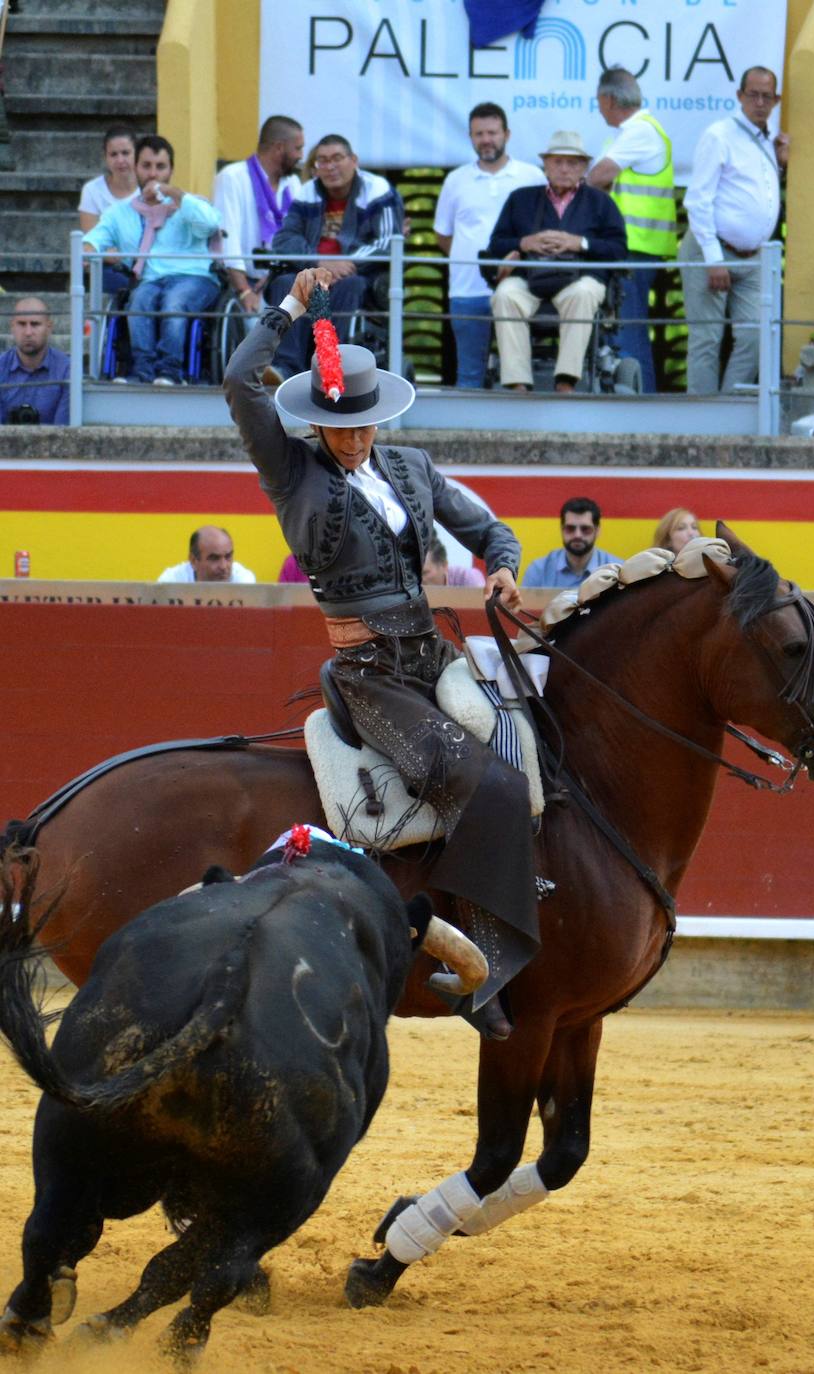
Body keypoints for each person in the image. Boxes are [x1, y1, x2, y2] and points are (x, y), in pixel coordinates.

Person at [223, 266, 537, 1040]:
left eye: (365, 422)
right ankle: (478, 971)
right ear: (317, 421)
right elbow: (238, 378)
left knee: (534, 755)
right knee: (487, 788)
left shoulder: (410, 467)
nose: (356, 437)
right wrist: (293, 304)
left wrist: (501, 567)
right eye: (342, 424)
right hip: (368, 675)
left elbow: (489, 528)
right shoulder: (290, 472)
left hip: (431, 656)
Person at [486, 131, 627, 392]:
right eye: (557, 162)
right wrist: (524, 243)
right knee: (505, 294)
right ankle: (518, 384)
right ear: (546, 166)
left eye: (572, 163)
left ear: (584, 168)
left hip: (579, 280)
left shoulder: (601, 203)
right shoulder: (521, 199)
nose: (564, 169)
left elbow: (619, 251)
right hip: (530, 280)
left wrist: (579, 243)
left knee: (584, 293)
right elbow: (495, 245)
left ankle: (566, 381)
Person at [678, 66, 790, 395]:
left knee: (757, 336)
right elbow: (698, 201)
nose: (759, 102)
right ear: (739, 96)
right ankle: (701, 424)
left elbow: (754, 193)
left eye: (766, 96)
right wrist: (713, 260)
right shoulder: (719, 135)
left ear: (776, 100)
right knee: (707, 339)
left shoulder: (770, 139)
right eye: (752, 95)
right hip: (712, 248)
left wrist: (781, 165)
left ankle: (727, 409)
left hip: (754, 256)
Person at [261, 135, 404, 386]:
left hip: (356, 274)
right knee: (285, 282)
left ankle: (333, 367)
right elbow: (284, 239)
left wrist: (347, 263)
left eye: (337, 158)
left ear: (354, 161)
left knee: (350, 286)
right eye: (323, 161)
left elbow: (387, 241)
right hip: (314, 270)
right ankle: (284, 368)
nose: (330, 166)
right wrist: (320, 262)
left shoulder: (377, 190)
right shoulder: (308, 192)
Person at [83, 135, 222, 385]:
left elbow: (211, 223)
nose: (153, 174)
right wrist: (86, 251)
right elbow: (94, 239)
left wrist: (173, 194)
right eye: (146, 166)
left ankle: (170, 371)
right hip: (150, 280)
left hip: (195, 278)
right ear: (136, 167)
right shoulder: (121, 212)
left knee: (174, 301)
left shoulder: (188, 204)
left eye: (160, 167)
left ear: (171, 170)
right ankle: (142, 371)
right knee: (139, 301)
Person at [433, 102, 544, 389]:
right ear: (470, 137)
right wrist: (474, 263)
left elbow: (543, 232)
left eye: (492, 133)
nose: (486, 140)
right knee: (469, 375)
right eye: (479, 134)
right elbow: (442, 235)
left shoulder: (532, 176)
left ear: (506, 134)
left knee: (521, 374)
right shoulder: (455, 180)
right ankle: (461, 434)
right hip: (467, 289)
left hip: (521, 291)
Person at [587, 67, 677, 392]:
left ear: (609, 99)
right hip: (631, 248)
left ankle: (642, 408)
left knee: (629, 333)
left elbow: (596, 178)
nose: (598, 109)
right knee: (625, 330)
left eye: (598, 102)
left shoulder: (639, 132)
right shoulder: (629, 133)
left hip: (635, 249)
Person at [212, 115, 304, 317]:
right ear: (279, 148)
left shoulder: (293, 184)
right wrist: (244, 291)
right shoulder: (232, 177)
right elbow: (228, 236)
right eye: (297, 148)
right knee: (254, 328)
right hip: (245, 285)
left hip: (284, 281)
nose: (301, 156)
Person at [78, 126, 139, 295]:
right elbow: (91, 242)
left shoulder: (147, 189)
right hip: (109, 268)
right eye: (114, 154)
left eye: (126, 153)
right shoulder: (92, 190)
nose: (120, 160)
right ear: (105, 157)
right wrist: (105, 254)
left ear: (136, 154)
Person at [521, 497, 620, 587]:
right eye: (570, 528)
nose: (577, 535)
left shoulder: (618, 572)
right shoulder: (538, 570)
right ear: (562, 529)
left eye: (585, 529)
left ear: (597, 531)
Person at [0, 297, 70, 425]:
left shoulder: (66, 369)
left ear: (49, 327)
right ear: (12, 327)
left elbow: (63, 433)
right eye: (21, 324)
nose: (28, 332)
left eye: (35, 324)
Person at [157, 526, 256, 583]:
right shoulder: (171, 581)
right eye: (214, 558)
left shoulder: (244, 580)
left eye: (228, 557)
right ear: (193, 561)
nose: (223, 566)